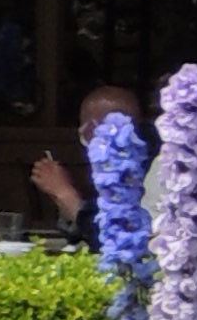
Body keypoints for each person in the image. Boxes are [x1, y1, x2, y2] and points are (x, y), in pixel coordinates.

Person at [29, 82, 143, 239]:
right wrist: (60, 198)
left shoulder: (152, 172)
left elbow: (116, 239)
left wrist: (64, 193)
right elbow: (83, 234)